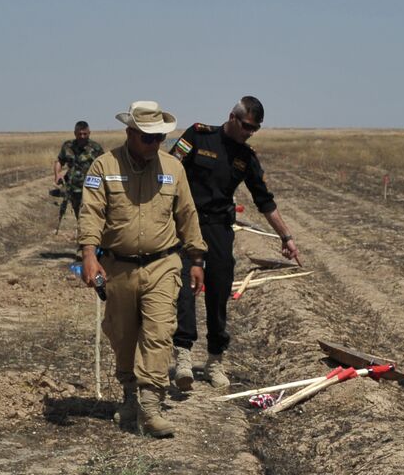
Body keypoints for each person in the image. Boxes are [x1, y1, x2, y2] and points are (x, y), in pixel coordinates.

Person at [78, 101, 206, 438]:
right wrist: (89, 254)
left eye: (160, 138)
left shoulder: (173, 169)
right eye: (148, 138)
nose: (155, 144)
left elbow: (188, 214)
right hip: (118, 266)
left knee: (159, 331)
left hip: (163, 263)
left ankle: (151, 407)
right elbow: (90, 212)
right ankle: (129, 397)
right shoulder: (103, 166)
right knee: (122, 334)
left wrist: (196, 259)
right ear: (130, 133)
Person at [169, 96, 301, 391]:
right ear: (232, 117)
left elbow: (265, 201)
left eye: (255, 129)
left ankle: (215, 360)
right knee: (186, 290)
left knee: (218, 291)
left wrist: (286, 237)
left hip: (218, 229)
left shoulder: (246, 157)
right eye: (246, 126)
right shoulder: (197, 135)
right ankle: (184, 358)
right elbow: (168, 170)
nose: (249, 132)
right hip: (186, 224)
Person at [54, 121, 105, 221]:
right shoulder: (68, 146)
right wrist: (57, 174)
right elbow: (59, 161)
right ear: (75, 133)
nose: (82, 136)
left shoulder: (96, 148)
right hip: (73, 189)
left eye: (84, 134)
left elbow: (104, 166)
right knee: (78, 214)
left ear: (89, 133)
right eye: (79, 134)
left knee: (89, 215)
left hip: (91, 188)